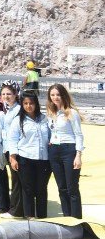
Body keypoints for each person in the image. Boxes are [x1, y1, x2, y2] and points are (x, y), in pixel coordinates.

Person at [8, 90, 52, 219]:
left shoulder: (44, 119)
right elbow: (12, 139)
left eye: (31, 103)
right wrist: (13, 158)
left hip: (43, 159)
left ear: (36, 104)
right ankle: (29, 215)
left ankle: (42, 216)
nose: (28, 106)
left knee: (41, 188)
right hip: (25, 158)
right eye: (25, 103)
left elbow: (50, 136)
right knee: (28, 189)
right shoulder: (18, 120)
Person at [46, 84, 84, 219]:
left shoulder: (71, 113)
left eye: (58, 94)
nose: (55, 97)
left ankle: (76, 218)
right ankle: (67, 217)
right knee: (61, 187)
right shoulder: (50, 113)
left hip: (69, 150)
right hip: (54, 150)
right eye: (52, 95)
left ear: (63, 95)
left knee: (72, 187)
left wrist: (78, 155)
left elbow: (79, 135)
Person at [0, 83, 24, 219]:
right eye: (3, 94)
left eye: (9, 94)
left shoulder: (18, 110)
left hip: (15, 149)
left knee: (16, 180)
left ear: (15, 95)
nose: (6, 96)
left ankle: (16, 210)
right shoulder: (8, 109)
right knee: (15, 179)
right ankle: (15, 208)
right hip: (8, 147)